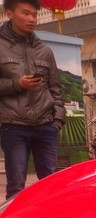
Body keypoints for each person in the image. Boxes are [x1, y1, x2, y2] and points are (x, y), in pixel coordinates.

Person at [0, 0, 65, 199]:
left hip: (46, 126)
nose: (31, 19)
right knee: (16, 186)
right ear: (9, 13)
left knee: (51, 184)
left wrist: (57, 120)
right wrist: (16, 84)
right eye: (26, 13)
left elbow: (55, 88)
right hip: (13, 126)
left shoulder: (44, 50)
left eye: (34, 15)